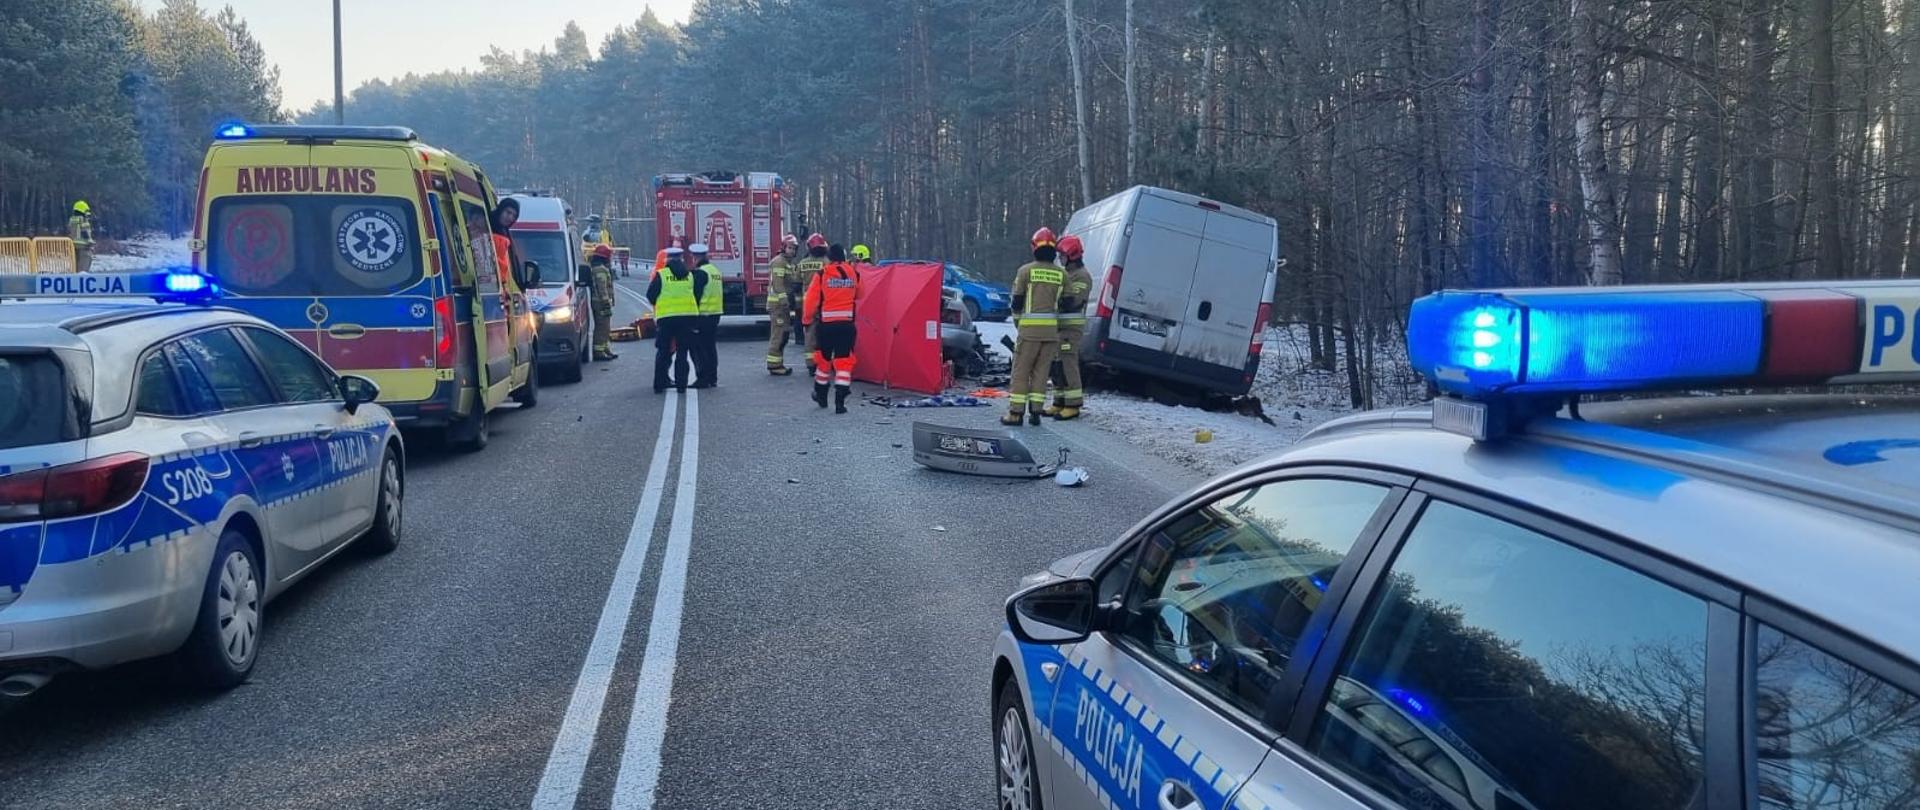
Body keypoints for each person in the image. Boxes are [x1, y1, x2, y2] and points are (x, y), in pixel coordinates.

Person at [1003, 227, 1065, 426]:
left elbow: (1017, 302)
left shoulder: (1025, 271)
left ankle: (1015, 413)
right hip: (1051, 334)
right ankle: (1036, 412)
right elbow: (1069, 302)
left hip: (1029, 333)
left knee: (1021, 372)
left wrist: (1018, 324)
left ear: (1034, 247)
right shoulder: (1061, 275)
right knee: (1041, 372)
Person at [802, 243, 862, 414]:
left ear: (829, 257)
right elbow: (860, 294)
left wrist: (806, 321)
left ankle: (821, 396)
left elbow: (811, 301)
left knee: (823, 360)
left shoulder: (822, 274)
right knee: (844, 362)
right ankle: (840, 402)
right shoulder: (854, 273)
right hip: (847, 326)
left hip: (826, 326)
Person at [1045, 234, 1093, 419]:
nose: (1060, 259)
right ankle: (1059, 402)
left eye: (1063, 256)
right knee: (1057, 366)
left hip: (1070, 330)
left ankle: (1073, 405)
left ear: (1072, 255)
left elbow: (1072, 301)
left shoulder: (1082, 276)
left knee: (1068, 365)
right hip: (1060, 328)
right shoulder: (1067, 274)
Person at [646, 247, 705, 392]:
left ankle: (659, 385)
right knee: (682, 352)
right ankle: (681, 386)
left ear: (667, 260)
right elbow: (696, 295)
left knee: (663, 351)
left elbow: (650, 295)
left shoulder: (662, 275)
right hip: (687, 318)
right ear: (682, 259)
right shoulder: (690, 275)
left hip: (666, 319)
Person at [688, 242, 724, 388]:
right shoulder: (715, 270)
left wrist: (691, 317)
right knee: (710, 347)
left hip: (702, 314)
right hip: (715, 313)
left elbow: (695, 295)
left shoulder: (700, 273)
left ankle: (702, 378)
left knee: (698, 348)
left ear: (695, 257)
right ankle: (712, 377)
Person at [764, 234, 800, 375]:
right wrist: (785, 301)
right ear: (783, 247)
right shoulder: (779, 262)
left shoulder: (789, 263)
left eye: (794, 248)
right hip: (778, 306)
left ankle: (777, 363)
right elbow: (778, 284)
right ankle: (774, 365)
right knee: (778, 334)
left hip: (783, 306)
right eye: (790, 247)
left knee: (783, 334)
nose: (792, 251)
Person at [794, 233, 829, 375]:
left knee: (809, 333)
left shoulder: (802, 263)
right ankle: (825, 362)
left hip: (807, 303)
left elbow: (796, 284)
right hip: (825, 302)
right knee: (825, 333)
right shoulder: (827, 262)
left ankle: (811, 364)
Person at [589, 244, 619, 361]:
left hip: (600, 302)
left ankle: (605, 349)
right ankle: (598, 352)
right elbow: (602, 288)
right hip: (600, 303)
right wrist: (606, 302)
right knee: (602, 327)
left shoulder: (599, 268)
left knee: (605, 327)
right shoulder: (600, 269)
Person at [490, 198, 522, 286]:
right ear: (500, 210)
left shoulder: (504, 231)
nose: (510, 218)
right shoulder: (487, 225)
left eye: (514, 216)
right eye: (508, 212)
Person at [68, 201, 95, 273]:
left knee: (75, 267)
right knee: (83, 269)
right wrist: (90, 242)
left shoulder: (72, 220)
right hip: (84, 247)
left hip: (73, 246)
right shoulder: (83, 220)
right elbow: (84, 232)